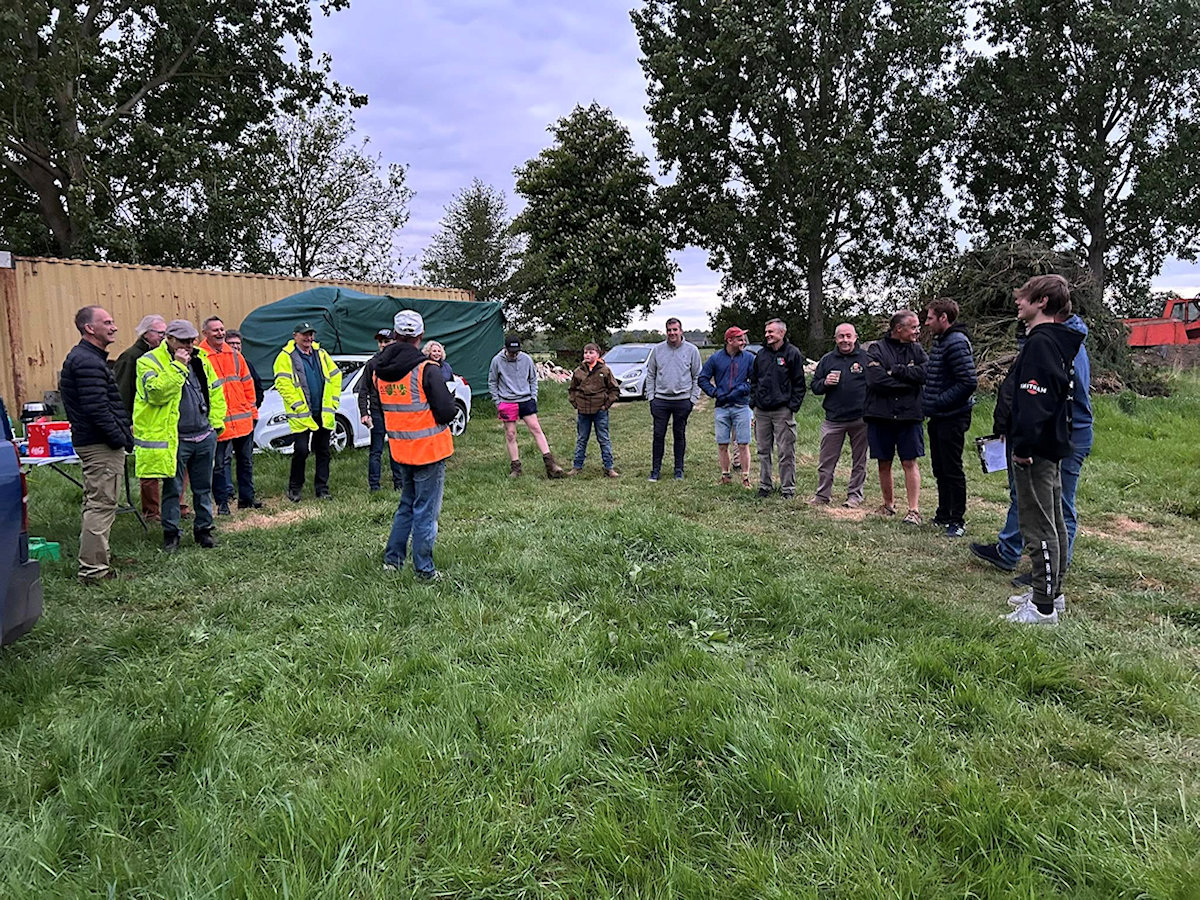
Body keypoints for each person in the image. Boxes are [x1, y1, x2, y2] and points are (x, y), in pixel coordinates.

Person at [971, 312, 1093, 586]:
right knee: (1027, 498)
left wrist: (1030, 437)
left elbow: (1049, 399)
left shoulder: (1063, 347)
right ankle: (1009, 551)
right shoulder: (1053, 343)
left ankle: (1052, 574)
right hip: (1041, 434)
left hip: (1065, 436)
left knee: (1059, 506)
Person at [1000, 275, 1084, 626]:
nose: (1018, 302)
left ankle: (1043, 608)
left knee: (1038, 526)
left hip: (1035, 450)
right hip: (1049, 445)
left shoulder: (1041, 343)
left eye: (1025, 297)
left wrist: (1023, 445)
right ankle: (1051, 593)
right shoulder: (1055, 342)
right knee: (1054, 521)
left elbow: (1035, 400)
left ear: (1042, 302)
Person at [377, 310, 457, 580]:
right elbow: (446, 411)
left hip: (400, 449)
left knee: (407, 505)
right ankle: (424, 570)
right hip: (429, 450)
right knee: (426, 511)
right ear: (421, 335)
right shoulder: (427, 369)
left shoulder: (379, 369)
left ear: (395, 334)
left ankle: (393, 561)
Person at [134, 320, 226, 551]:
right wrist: (178, 366)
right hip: (176, 438)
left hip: (204, 434)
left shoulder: (201, 359)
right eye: (183, 341)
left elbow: (215, 391)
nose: (189, 346)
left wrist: (215, 425)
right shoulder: (148, 361)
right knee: (173, 489)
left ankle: (204, 530)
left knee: (203, 487)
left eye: (192, 340)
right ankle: (171, 533)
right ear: (169, 339)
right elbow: (156, 394)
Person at [59, 306, 135, 584]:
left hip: (95, 441)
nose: (114, 327)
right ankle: (93, 571)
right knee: (101, 506)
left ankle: (97, 559)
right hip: (99, 444)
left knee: (96, 503)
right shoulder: (87, 362)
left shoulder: (88, 358)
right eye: (107, 322)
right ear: (90, 328)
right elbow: (97, 409)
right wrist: (118, 438)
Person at [864, 310, 928, 524]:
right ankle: (888, 504)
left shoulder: (917, 350)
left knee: (910, 461)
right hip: (881, 415)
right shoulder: (876, 349)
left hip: (909, 416)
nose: (917, 331)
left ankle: (914, 510)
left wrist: (896, 371)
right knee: (884, 462)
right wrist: (909, 384)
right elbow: (875, 380)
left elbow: (926, 374)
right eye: (914, 327)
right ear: (898, 328)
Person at [922, 299, 978, 537]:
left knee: (952, 469)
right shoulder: (942, 341)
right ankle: (943, 513)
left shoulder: (956, 342)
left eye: (930, 318)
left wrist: (939, 401)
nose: (926, 323)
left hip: (952, 416)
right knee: (940, 467)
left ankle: (957, 520)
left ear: (943, 318)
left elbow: (968, 382)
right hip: (938, 417)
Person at [273, 322, 342, 501]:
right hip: (301, 415)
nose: (308, 338)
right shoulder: (285, 357)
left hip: (323, 412)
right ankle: (295, 488)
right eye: (304, 335)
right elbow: (283, 384)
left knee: (323, 451)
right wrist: (297, 405)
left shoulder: (321, 353)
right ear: (295, 336)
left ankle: (322, 489)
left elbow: (336, 375)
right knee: (302, 451)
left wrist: (334, 401)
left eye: (311, 334)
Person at [199, 316, 258, 515]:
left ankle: (247, 499)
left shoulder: (234, 355)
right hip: (219, 421)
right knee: (219, 465)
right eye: (215, 330)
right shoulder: (200, 357)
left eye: (222, 329)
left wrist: (252, 410)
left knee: (246, 461)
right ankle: (222, 503)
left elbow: (247, 383)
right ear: (205, 333)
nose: (220, 333)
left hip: (242, 419)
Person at [487, 335, 566, 478]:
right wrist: (498, 402)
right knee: (511, 434)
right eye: (511, 352)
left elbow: (533, 379)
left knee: (536, 428)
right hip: (507, 402)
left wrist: (533, 397)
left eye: (516, 352)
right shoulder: (497, 361)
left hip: (526, 399)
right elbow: (492, 382)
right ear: (505, 348)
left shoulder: (526, 359)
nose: (514, 354)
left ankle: (551, 465)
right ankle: (516, 468)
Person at [112, 314, 166, 521]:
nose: (163, 337)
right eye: (160, 333)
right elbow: (123, 392)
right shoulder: (130, 357)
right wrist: (126, 422)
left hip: (164, 419)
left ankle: (177, 506)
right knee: (149, 467)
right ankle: (151, 512)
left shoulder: (163, 355)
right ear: (146, 334)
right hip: (141, 421)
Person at [809, 323, 870, 508]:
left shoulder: (866, 358)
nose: (845, 340)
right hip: (833, 419)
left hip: (860, 419)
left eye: (848, 336)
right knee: (826, 461)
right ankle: (822, 495)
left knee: (859, 460)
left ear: (855, 337)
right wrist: (825, 382)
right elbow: (815, 387)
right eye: (841, 336)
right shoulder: (827, 360)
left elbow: (876, 384)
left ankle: (855, 496)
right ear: (835, 339)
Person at [749, 318, 806, 498]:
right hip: (762, 411)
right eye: (766, 332)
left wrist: (791, 406)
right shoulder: (761, 355)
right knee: (763, 450)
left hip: (783, 410)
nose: (767, 335)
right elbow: (754, 380)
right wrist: (753, 402)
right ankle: (765, 485)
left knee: (786, 451)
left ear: (782, 333)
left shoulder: (792, 353)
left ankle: (787, 488)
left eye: (771, 332)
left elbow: (799, 383)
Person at [645, 317, 702, 481]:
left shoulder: (692, 350)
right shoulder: (657, 350)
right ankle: (655, 470)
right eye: (669, 330)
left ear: (681, 331)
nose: (672, 333)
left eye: (675, 330)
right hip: (660, 400)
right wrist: (651, 397)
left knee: (679, 435)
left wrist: (693, 399)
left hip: (682, 400)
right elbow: (651, 374)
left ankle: (678, 469)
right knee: (658, 435)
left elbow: (697, 376)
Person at [698, 326, 754, 488]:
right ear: (730, 341)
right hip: (722, 406)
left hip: (742, 405)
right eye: (740, 339)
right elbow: (702, 378)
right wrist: (714, 392)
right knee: (722, 443)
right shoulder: (716, 358)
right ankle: (725, 475)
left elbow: (755, 381)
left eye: (743, 339)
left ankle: (745, 477)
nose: (743, 342)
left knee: (743, 443)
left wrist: (742, 389)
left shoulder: (749, 358)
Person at [359, 327, 404, 492]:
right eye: (381, 342)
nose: (383, 345)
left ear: (394, 342)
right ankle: (374, 486)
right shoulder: (372, 364)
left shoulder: (400, 362)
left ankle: (399, 483)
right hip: (377, 411)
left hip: (396, 411)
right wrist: (364, 413)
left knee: (396, 448)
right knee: (376, 450)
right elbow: (363, 390)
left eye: (387, 341)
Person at [567, 343, 620, 477]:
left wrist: (605, 405)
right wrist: (576, 403)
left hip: (600, 411)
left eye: (591, 352)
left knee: (603, 439)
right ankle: (577, 466)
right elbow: (572, 389)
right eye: (586, 352)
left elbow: (614, 390)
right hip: (583, 411)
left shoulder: (605, 371)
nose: (588, 355)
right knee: (582, 439)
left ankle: (609, 467)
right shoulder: (578, 371)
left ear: (598, 354)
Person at [225, 331, 265, 408]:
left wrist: (253, 407)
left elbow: (258, 388)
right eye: (231, 343)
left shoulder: (248, 365)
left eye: (238, 343)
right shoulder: (218, 365)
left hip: (246, 412)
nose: (235, 346)